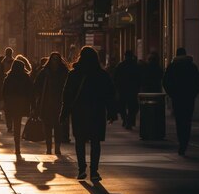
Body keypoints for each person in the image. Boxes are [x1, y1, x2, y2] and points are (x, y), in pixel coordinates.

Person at [60, 46, 115, 182]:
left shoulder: (74, 74)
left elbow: (67, 95)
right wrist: (112, 112)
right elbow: (110, 94)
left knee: (80, 141)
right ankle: (94, 171)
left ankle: (81, 169)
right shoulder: (102, 75)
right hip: (97, 112)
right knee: (95, 142)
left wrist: (64, 112)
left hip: (79, 112)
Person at [163, 47, 199, 156]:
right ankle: (185, 141)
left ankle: (181, 142)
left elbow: (165, 81)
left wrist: (172, 94)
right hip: (188, 98)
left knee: (179, 121)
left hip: (177, 98)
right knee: (187, 120)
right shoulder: (192, 66)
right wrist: (193, 94)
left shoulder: (172, 66)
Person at [33, 52, 69, 155]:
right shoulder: (44, 72)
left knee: (58, 127)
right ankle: (49, 147)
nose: (55, 62)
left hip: (59, 104)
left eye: (57, 59)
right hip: (46, 103)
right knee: (48, 127)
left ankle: (57, 148)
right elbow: (36, 86)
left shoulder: (64, 72)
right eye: (53, 59)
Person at [2, 57, 33, 161]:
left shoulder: (9, 77)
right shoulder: (25, 77)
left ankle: (17, 144)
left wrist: (4, 102)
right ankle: (17, 145)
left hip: (11, 103)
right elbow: (30, 92)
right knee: (18, 123)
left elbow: (4, 91)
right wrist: (32, 104)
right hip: (21, 103)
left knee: (14, 122)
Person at [113, 50, 141, 129]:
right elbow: (139, 78)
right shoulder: (135, 66)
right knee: (133, 107)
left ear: (125, 56)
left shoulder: (120, 65)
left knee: (122, 106)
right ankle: (129, 119)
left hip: (122, 89)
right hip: (132, 89)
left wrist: (117, 88)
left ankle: (125, 118)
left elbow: (115, 78)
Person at [1, 48, 16, 132]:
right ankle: (11, 124)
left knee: (8, 109)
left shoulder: (2, 62)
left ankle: (9, 124)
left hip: (6, 85)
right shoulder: (14, 62)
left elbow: (0, 74)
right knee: (11, 109)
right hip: (12, 86)